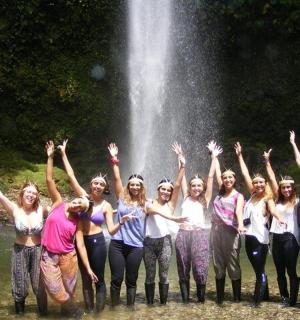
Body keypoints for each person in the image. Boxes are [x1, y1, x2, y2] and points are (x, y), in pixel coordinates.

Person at [107, 143, 187, 307]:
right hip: (139, 242)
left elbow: (173, 191)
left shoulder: (152, 203)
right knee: (133, 276)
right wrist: (114, 159)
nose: (165, 192)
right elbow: (116, 179)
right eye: (132, 184)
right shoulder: (134, 199)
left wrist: (182, 164)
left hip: (151, 243)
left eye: (138, 184)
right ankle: (133, 307)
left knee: (153, 276)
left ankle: (157, 307)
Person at [58, 140, 133, 313]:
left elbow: (112, 230)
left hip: (98, 242)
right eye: (95, 183)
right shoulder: (84, 197)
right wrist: (63, 153)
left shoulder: (106, 206)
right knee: (85, 278)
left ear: (105, 188)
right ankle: (90, 311)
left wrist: (121, 222)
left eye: (101, 184)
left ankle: (99, 314)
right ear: (91, 184)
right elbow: (71, 177)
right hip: (80, 240)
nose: (98, 186)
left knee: (98, 278)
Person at [41, 141, 98, 319]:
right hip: (48, 254)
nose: (77, 204)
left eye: (80, 206)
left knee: (69, 289)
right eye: (77, 201)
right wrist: (50, 156)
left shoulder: (77, 222)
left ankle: (66, 315)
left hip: (68, 257)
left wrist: (88, 269)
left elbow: (80, 246)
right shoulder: (58, 203)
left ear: (81, 211)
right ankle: (75, 311)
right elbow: (49, 180)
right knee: (54, 288)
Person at [235, 142, 285, 306]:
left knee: (259, 270)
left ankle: (256, 302)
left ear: (265, 184)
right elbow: (244, 173)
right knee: (260, 268)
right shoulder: (251, 196)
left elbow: (273, 209)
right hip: (248, 238)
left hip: (260, 240)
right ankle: (265, 296)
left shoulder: (267, 198)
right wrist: (239, 155)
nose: (257, 184)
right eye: (255, 182)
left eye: (261, 183)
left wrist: (279, 217)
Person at [175, 141, 222, 303]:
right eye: (193, 185)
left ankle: (201, 301)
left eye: (199, 186)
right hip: (182, 234)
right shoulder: (186, 196)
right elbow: (181, 178)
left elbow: (210, 178)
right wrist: (180, 158)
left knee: (200, 266)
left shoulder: (205, 199)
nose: (196, 188)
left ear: (203, 188)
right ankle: (186, 302)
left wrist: (214, 157)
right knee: (183, 266)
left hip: (200, 235)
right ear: (190, 187)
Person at [143, 142, 186, 305]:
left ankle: (162, 304)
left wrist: (182, 165)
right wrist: (173, 219)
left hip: (166, 242)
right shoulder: (148, 202)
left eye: (168, 190)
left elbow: (177, 185)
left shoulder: (171, 205)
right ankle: (149, 304)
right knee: (149, 274)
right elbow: (151, 211)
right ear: (158, 189)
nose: (167, 192)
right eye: (163, 189)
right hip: (148, 243)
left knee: (164, 274)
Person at [0, 183, 48, 315]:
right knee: (19, 284)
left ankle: (44, 315)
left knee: (39, 286)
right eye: (28, 192)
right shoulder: (14, 209)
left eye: (34, 193)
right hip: (19, 251)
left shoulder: (42, 210)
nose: (31, 195)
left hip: (38, 250)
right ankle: (20, 315)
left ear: (37, 196)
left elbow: (60, 210)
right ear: (22, 193)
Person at [263, 148, 299, 306]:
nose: (286, 190)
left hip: (291, 238)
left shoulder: (297, 202)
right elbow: (271, 178)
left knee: (291, 270)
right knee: (279, 271)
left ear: (293, 188)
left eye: (289, 187)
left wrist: (293, 144)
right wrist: (267, 162)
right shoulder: (276, 201)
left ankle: (292, 300)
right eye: (283, 187)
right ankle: (283, 297)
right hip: (275, 238)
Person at [210, 146, 245, 305]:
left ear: (234, 179)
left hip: (231, 231)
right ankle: (220, 298)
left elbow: (239, 212)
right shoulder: (220, 192)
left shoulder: (238, 196)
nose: (227, 180)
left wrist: (241, 225)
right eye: (225, 178)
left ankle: (237, 298)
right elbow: (217, 172)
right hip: (215, 230)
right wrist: (214, 156)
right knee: (218, 263)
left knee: (232, 262)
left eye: (230, 178)